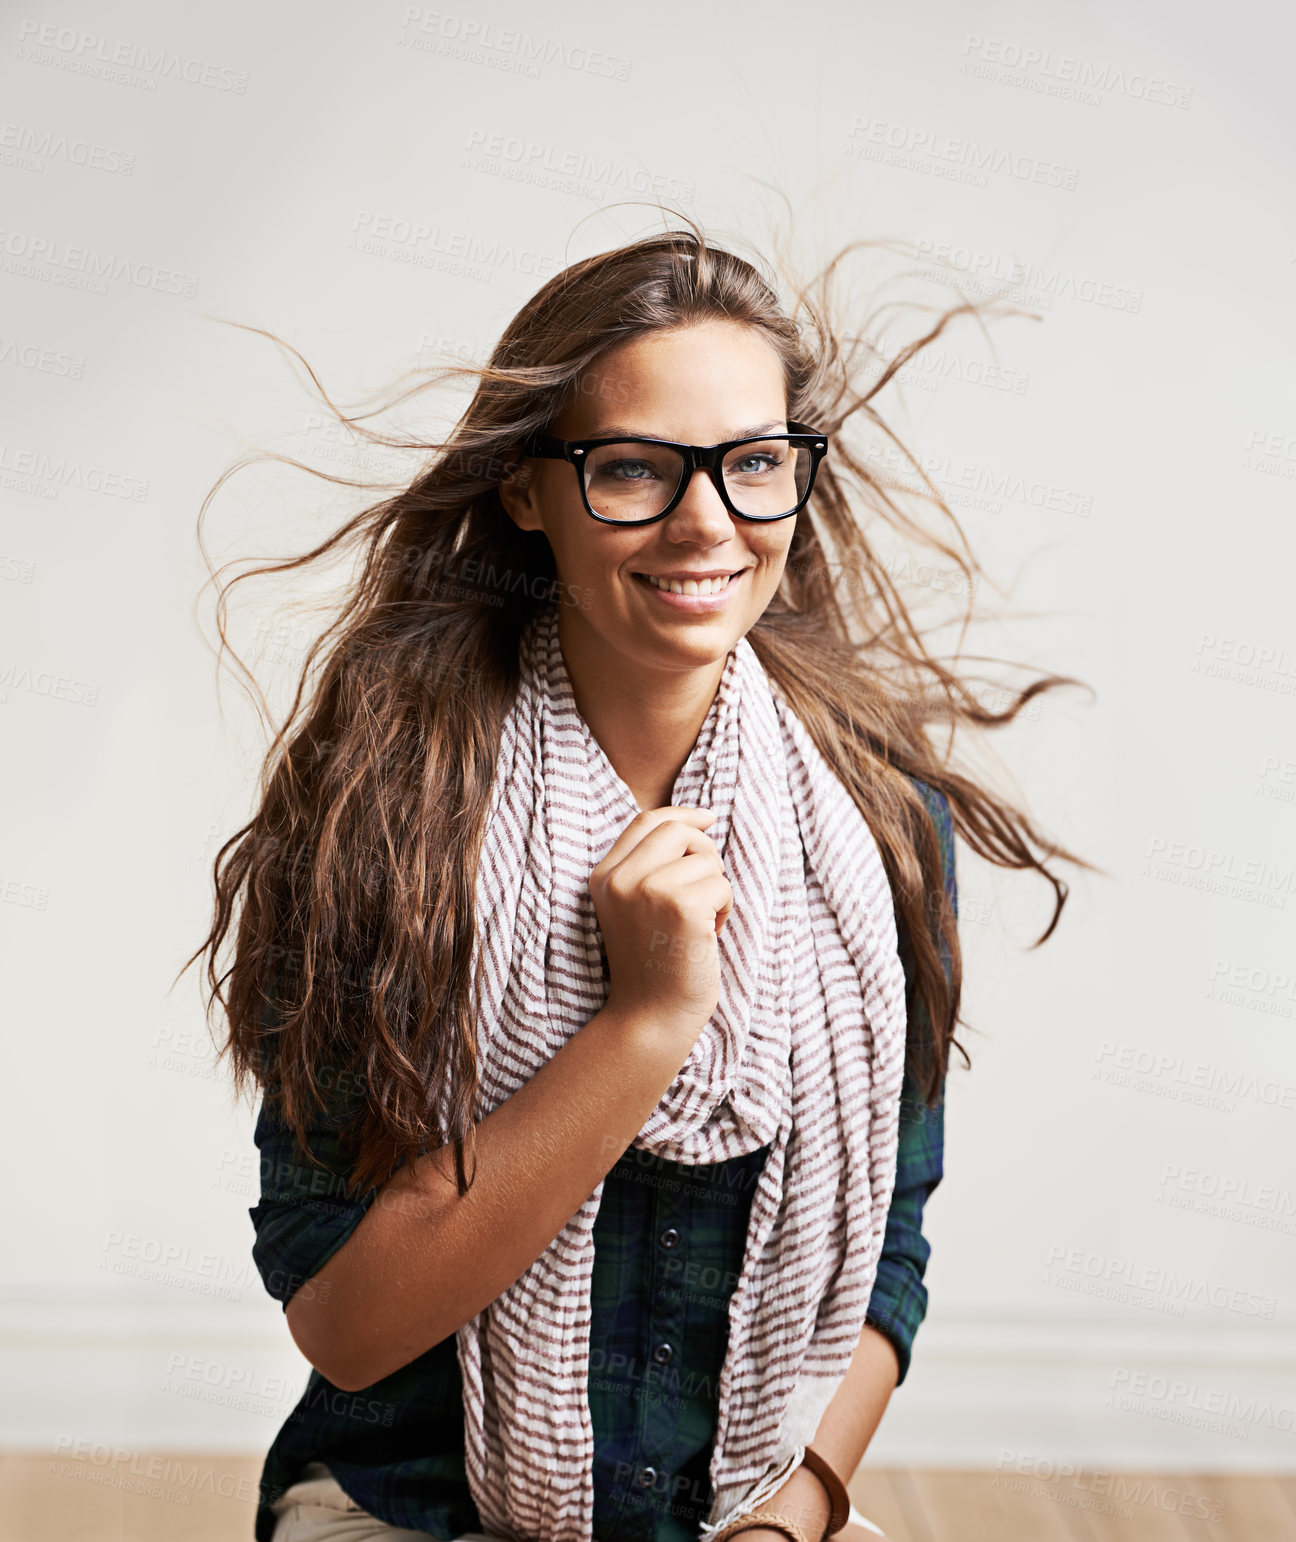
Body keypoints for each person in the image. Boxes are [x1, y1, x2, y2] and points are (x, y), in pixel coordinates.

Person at [187, 215, 1086, 1542]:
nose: (707, 521)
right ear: (526, 488)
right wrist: (645, 1021)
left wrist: (796, 1513)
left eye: (753, 463)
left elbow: (884, 1254)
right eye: (634, 469)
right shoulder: (385, 816)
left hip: (745, 1514)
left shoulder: (884, 830)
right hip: (420, 1511)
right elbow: (346, 1323)